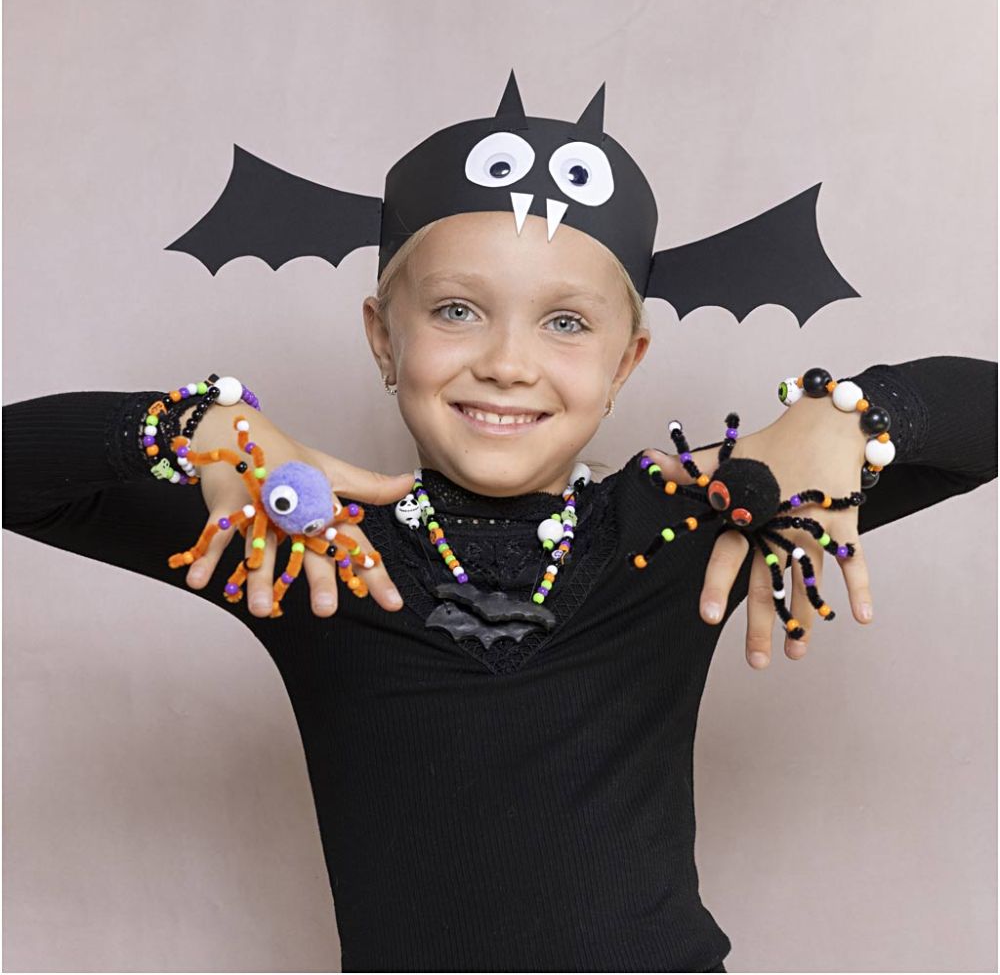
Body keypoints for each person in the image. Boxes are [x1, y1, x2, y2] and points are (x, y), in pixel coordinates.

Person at [4, 207, 996, 972]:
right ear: (383, 340)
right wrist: (184, 427)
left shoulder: (686, 522)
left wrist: (857, 415)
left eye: (565, 322)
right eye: (454, 310)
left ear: (624, 364)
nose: (507, 361)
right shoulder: (301, 544)